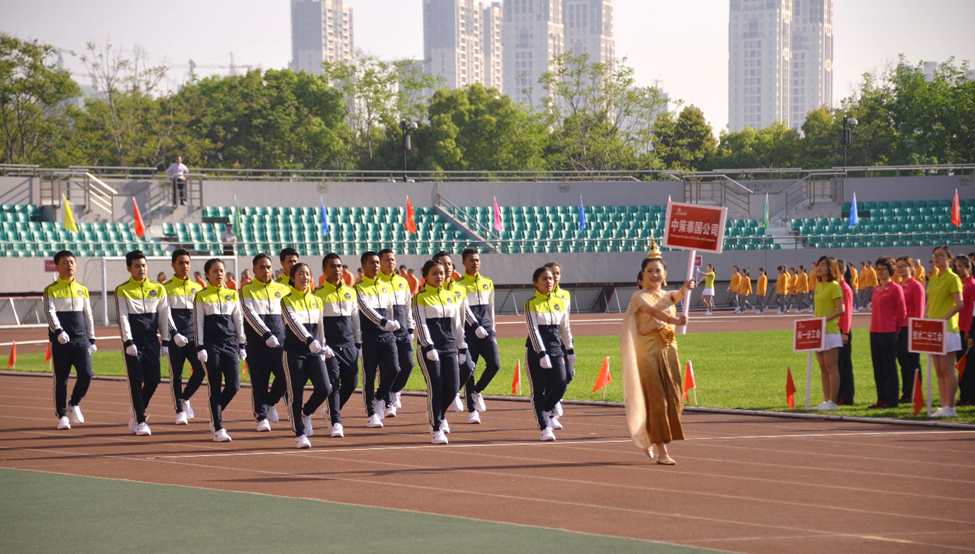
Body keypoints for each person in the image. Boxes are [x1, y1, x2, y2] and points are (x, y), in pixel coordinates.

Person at [620, 241, 694, 465]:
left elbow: (674, 296)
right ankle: (662, 451)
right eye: (649, 271)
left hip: (669, 349)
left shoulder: (668, 294)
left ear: (665, 273)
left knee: (674, 397)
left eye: (657, 270)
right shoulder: (639, 297)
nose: (654, 274)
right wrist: (673, 320)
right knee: (657, 400)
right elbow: (654, 311)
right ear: (641, 277)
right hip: (649, 351)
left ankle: (651, 434)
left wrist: (686, 288)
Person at [116, 250, 172, 436]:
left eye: (143, 265)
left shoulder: (159, 288)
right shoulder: (122, 290)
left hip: (152, 341)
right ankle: (141, 420)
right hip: (134, 342)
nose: (141, 269)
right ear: (129, 268)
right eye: (137, 266)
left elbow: (164, 316)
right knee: (135, 381)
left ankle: (135, 409)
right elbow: (122, 317)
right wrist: (128, 341)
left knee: (154, 380)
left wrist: (165, 340)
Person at [413, 260, 466, 444]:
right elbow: (421, 324)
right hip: (431, 350)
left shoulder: (451, 295)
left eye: (442, 273)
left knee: (452, 387)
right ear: (425, 276)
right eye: (434, 273)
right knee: (436, 387)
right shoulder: (420, 297)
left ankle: (439, 414)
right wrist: (428, 346)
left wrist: (462, 346)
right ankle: (436, 428)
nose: (439, 277)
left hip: (450, 347)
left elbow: (457, 324)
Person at [281, 262, 333, 449]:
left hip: (314, 351)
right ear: (292, 278)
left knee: (325, 388)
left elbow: (320, 327)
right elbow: (294, 324)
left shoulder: (317, 300)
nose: (305, 277)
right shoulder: (287, 300)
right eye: (300, 274)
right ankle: (300, 433)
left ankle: (307, 412)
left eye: (308, 274)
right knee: (296, 393)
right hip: (294, 352)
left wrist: (323, 346)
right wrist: (310, 340)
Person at [194, 258, 246, 441]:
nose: (219, 274)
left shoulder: (233, 294)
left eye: (222, 271)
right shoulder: (201, 296)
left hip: (230, 343)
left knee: (233, 385)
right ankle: (218, 428)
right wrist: (200, 346)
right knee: (215, 385)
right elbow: (198, 322)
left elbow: (238, 319)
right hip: (211, 344)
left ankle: (215, 413)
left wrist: (242, 344)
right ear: (207, 274)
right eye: (215, 271)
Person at [44, 250, 96, 430]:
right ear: (57, 266)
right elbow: (49, 312)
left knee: (87, 374)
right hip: (61, 342)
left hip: (81, 340)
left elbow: (88, 315)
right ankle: (62, 415)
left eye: (72, 262)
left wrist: (92, 338)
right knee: (61, 380)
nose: (70, 265)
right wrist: (58, 331)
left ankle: (73, 403)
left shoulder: (82, 289)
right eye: (65, 262)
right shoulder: (51, 290)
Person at [524, 266, 574, 442]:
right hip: (536, 352)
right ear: (536, 283)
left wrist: (570, 349)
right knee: (538, 389)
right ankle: (545, 426)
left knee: (561, 383)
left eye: (551, 278)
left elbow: (564, 327)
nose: (548, 282)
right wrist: (541, 353)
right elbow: (533, 330)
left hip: (555, 349)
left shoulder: (559, 302)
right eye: (544, 279)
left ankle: (544, 409)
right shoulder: (531, 303)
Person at [240, 254, 289, 432]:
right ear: (254, 270)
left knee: (286, 376)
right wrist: (266, 334)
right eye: (261, 267)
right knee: (259, 382)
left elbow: (289, 314)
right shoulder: (247, 289)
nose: (266, 270)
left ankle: (271, 402)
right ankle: (261, 417)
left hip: (280, 342)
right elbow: (249, 314)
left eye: (268, 267)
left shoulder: (282, 288)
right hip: (257, 344)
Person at [314, 253, 361, 437]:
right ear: (324, 269)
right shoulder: (318, 294)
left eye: (339, 266)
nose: (337, 269)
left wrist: (358, 343)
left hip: (349, 344)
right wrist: (323, 345)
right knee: (333, 384)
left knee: (351, 383)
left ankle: (332, 410)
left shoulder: (351, 292)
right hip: (330, 346)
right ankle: (336, 421)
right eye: (333, 266)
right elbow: (317, 324)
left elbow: (355, 319)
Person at [355, 251, 401, 428]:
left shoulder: (385, 286)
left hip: (387, 335)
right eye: (371, 263)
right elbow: (365, 309)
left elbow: (390, 308)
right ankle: (370, 413)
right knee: (370, 374)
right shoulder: (359, 287)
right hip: (370, 336)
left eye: (376, 262)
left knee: (394, 369)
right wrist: (383, 322)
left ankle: (379, 397)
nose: (375, 265)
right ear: (363, 266)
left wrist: (392, 323)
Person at [459, 248, 500, 423]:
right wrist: (471, 328)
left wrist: (493, 328)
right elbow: (462, 310)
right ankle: (472, 410)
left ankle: (477, 391)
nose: (475, 263)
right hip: (470, 333)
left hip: (487, 331)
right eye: (471, 260)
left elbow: (491, 307)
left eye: (477, 260)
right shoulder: (458, 285)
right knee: (470, 370)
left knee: (495, 365)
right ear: (464, 262)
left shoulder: (487, 282)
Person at [164, 249, 204, 425]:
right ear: (173, 264)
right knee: (176, 376)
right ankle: (179, 411)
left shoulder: (197, 287)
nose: (185, 266)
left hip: (194, 338)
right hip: (175, 339)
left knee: (202, 370)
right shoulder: (165, 288)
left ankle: (185, 398)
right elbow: (165, 315)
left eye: (187, 262)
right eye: (181, 262)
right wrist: (174, 335)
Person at [927, 245, 963, 418]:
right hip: (932, 329)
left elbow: (959, 304)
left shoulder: (953, 278)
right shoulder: (933, 278)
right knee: (938, 370)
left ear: (950, 258)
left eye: (941, 256)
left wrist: (943, 319)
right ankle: (943, 406)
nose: (937, 258)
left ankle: (951, 406)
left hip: (947, 329)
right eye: (935, 255)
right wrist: (925, 318)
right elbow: (929, 302)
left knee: (947, 369)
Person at [379, 249, 415, 418]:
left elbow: (407, 307)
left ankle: (395, 390)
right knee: (388, 369)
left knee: (408, 364)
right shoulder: (376, 282)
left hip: (403, 332)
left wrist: (411, 328)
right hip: (385, 333)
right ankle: (387, 401)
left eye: (393, 260)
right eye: (387, 260)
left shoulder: (402, 281)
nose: (391, 263)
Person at [868, 257, 906, 409]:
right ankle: (881, 398)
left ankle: (891, 400)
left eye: (883, 269)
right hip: (875, 331)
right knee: (878, 367)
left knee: (889, 366)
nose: (880, 272)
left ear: (890, 271)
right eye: (878, 269)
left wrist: (896, 330)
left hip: (889, 332)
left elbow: (901, 312)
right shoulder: (876, 289)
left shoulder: (895, 288)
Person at [811, 256, 845, 411]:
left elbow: (840, 309)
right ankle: (826, 400)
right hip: (818, 331)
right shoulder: (818, 286)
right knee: (822, 367)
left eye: (823, 265)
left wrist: (824, 319)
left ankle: (833, 401)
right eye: (818, 265)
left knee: (832, 367)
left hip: (830, 331)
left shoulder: (834, 285)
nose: (819, 268)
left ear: (831, 268)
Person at [545, 261, 574, 419]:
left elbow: (566, 320)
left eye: (557, 273)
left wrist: (569, 343)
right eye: (552, 273)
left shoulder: (565, 295)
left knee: (568, 374)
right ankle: (551, 407)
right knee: (552, 375)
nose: (555, 277)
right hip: (550, 340)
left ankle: (554, 398)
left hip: (564, 339)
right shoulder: (543, 294)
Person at [895, 256, 925, 403]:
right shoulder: (898, 285)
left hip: (910, 327)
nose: (900, 268)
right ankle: (906, 393)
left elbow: (919, 310)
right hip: (899, 328)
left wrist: (916, 329)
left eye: (904, 266)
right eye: (898, 266)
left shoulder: (916, 286)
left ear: (911, 268)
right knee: (903, 362)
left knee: (912, 362)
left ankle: (914, 393)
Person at [953, 256, 974, 406]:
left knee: (968, 366)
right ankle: (964, 395)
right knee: (960, 364)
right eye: (956, 266)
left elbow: (972, 310)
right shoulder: (959, 283)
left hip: (965, 331)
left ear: (968, 268)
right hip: (956, 328)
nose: (957, 268)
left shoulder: (972, 284)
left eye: (960, 266)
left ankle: (969, 396)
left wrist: (968, 331)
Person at [836, 260, 856, 406]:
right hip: (835, 330)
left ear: (842, 271)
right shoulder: (835, 287)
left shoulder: (845, 288)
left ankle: (847, 396)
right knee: (836, 365)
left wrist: (845, 332)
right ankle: (839, 394)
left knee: (844, 365)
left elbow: (848, 312)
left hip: (842, 331)